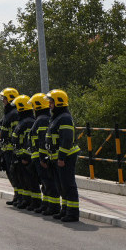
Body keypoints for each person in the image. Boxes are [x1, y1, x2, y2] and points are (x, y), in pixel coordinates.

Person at [48, 88, 81, 223]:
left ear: (59, 102)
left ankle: (72, 213)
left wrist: (61, 157)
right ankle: (65, 210)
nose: (49, 104)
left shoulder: (65, 118)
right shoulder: (57, 117)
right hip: (58, 157)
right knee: (61, 185)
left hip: (66, 157)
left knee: (68, 185)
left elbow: (66, 139)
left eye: (51, 102)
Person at [31, 93, 60, 216]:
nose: (32, 109)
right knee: (45, 183)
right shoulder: (42, 119)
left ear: (38, 106)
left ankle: (53, 207)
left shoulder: (42, 120)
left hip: (42, 157)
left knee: (48, 182)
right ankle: (46, 205)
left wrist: (42, 158)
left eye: (33, 106)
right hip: (40, 156)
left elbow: (43, 141)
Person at [12, 94, 40, 210]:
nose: (16, 110)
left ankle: (35, 202)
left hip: (26, 157)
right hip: (20, 156)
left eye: (17, 107)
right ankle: (26, 200)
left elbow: (28, 142)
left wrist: (25, 156)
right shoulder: (23, 121)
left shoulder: (28, 122)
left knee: (31, 181)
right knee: (24, 180)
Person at [0, 87, 20, 206]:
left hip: (12, 150)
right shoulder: (8, 113)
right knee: (11, 174)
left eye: (4, 99)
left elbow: (17, 132)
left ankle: (20, 197)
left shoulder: (14, 114)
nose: (3, 101)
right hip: (6, 149)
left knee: (16, 174)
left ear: (10, 99)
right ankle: (17, 196)